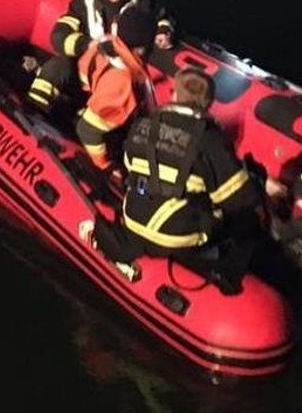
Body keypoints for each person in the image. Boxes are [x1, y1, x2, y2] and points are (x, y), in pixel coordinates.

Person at [80, 68, 268, 294]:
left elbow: (130, 167)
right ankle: (226, 273)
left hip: (133, 221)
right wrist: (262, 188)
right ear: (208, 104)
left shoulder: (143, 125)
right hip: (176, 238)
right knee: (249, 219)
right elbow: (239, 200)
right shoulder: (209, 141)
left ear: (175, 95)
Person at [27, 0, 174, 114]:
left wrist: (163, 31)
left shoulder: (142, 1)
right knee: (57, 67)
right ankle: (33, 113)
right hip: (88, 68)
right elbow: (59, 36)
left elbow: (163, 17)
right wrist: (90, 45)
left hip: (122, 76)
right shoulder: (83, 3)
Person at [74, 5, 158, 174]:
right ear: (141, 48)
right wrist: (106, 166)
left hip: (86, 94)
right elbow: (87, 130)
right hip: (98, 117)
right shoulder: (122, 82)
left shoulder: (107, 42)